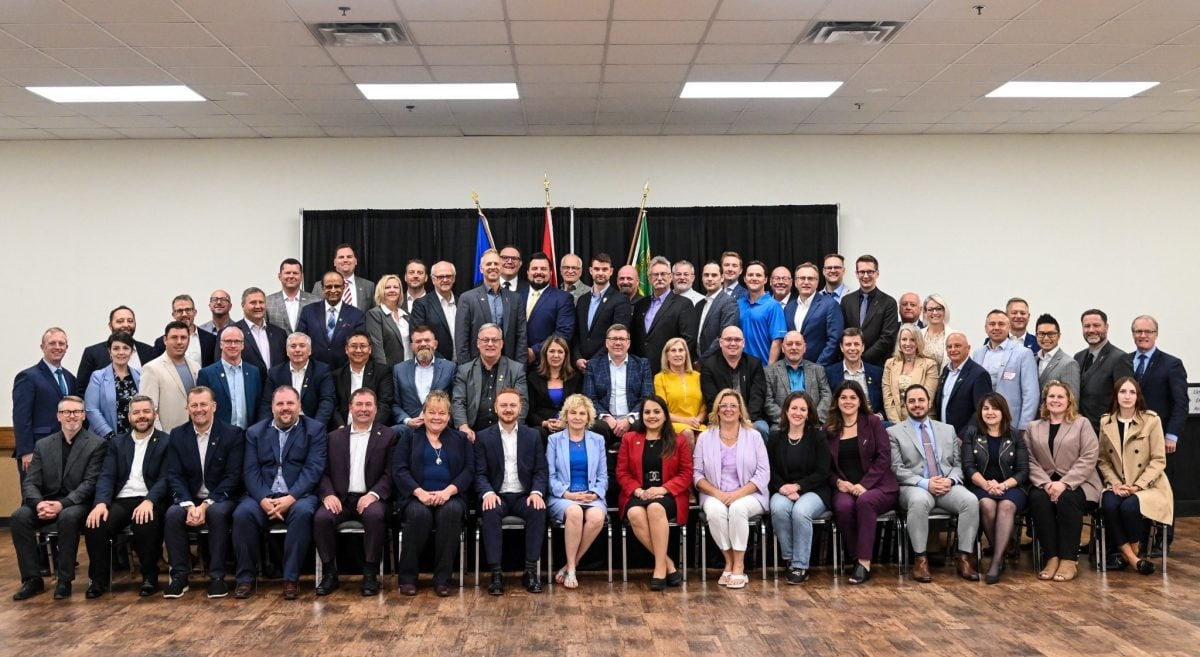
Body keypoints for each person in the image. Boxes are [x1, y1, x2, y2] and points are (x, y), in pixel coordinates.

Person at [232, 386, 327, 600]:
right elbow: (250, 470)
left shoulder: (315, 430)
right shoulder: (255, 432)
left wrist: (291, 498)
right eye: (280, 404)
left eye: (290, 403)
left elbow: (314, 468)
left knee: (303, 514)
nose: (285, 408)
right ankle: (245, 579)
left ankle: (291, 579)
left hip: (298, 496)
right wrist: (263, 499)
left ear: (299, 406)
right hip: (262, 495)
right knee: (242, 514)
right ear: (272, 407)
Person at [10, 396, 106, 601]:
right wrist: (39, 503)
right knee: (19, 517)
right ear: (58, 416)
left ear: (84, 415)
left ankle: (64, 580)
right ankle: (32, 579)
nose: (71, 416)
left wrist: (62, 504)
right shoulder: (43, 445)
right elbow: (30, 482)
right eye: (66, 412)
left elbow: (90, 483)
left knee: (68, 517)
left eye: (77, 412)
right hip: (45, 501)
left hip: (77, 504)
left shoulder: (97, 444)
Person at [888, 385, 980, 583]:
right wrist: (925, 483)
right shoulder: (894, 432)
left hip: (947, 485)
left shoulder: (948, 430)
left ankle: (964, 557)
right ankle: (920, 559)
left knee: (970, 501)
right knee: (919, 502)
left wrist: (950, 480)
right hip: (914, 487)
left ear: (929, 403)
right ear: (905, 405)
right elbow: (896, 468)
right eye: (911, 401)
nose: (917, 405)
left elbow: (958, 464)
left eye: (921, 400)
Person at [83, 396, 172, 597]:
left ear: (154, 414)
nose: (142, 416)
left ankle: (150, 578)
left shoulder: (166, 441)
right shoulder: (117, 443)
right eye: (136, 412)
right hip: (121, 500)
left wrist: (150, 500)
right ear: (129, 416)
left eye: (146, 412)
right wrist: (100, 504)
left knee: (145, 522)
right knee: (96, 523)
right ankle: (99, 580)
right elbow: (106, 476)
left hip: (151, 500)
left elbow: (167, 477)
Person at [162, 386, 244, 599]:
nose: (199, 409)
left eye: (203, 404)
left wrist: (207, 504)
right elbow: (174, 475)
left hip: (221, 497)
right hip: (189, 498)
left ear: (214, 407)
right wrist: (188, 505)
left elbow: (232, 477)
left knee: (216, 514)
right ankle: (179, 576)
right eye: (194, 405)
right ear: (187, 408)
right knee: (172, 515)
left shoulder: (232, 434)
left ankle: (217, 577)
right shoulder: (178, 435)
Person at [314, 389, 395, 596]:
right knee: (322, 518)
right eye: (359, 404)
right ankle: (330, 574)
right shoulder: (333, 437)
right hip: (340, 497)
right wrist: (328, 494)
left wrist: (374, 494)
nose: (363, 409)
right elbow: (321, 472)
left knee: (375, 516)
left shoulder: (389, 436)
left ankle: (370, 573)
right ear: (350, 408)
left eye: (368, 405)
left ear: (376, 409)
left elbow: (391, 473)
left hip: (371, 497)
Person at [392, 391, 473, 597]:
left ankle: (442, 580)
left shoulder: (460, 439)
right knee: (420, 515)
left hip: (451, 496)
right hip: (416, 496)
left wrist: (447, 492)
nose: (437, 417)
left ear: (449, 416)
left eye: (442, 413)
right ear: (424, 413)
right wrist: (419, 493)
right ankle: (408, 578)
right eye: (432, 412)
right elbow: (399, 469)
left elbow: (468, 471)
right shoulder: (409, 437)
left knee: (451, 512)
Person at [1025, 381, 1102, 583]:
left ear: (1069, 401)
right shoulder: (1033, 427)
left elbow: (1089, 457)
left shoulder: (1081, 424)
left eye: (1060, 397)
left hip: (1080, 483)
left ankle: (1069, 560)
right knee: (1038, 499)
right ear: (1045, 400)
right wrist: (1045, 483)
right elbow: (1029, 460)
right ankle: (1052, 557)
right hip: (1045, 483)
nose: (1055, 400)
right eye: (1051, 396)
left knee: (1068, 499)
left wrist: (1065, 483)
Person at [692, 388, 769, 590]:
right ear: (717, 410)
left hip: (749, 494)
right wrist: (718, 494)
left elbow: (763, 473)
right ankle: (729, 560)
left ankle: (739, 565)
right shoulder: (704, 437)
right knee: (715, 512)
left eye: (733, 405)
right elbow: (697, 474)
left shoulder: (754, 436)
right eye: (723, 405)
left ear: (740, 410)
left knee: (737, 509)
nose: (728, 409)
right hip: (714, 493)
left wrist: (737, 494)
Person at [474, 389, 548, 595]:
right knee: (489, 511)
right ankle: (496, 574)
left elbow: (541, 470)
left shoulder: (533, 435)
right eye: (504, 405)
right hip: (497, 494)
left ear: (520, 408)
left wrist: (536, 492)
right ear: (496, 408)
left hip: (524, 494)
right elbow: (479, 473)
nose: (508, 409)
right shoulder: (483, 437)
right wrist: (487, 493)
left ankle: (530, 571)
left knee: (538, 510)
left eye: (512, 405)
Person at [1098, 377, 1173, 575]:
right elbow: (1103, 460)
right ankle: (1133, 559)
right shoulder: (1106, 422)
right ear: (1116, 395)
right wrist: (1114, 484)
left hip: (1148, 484)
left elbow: (1158, 460)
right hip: (1118, 483)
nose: (1127, 396)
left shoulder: (1151, 420)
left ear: (1138, 396)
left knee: (1130, 506)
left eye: (1132, 392)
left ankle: (1132, 551)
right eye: (1123, 392)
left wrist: (1137, 486)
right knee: (1110, 504)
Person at [616, 395, 692, 590]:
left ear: (665, 416)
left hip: (669, 494)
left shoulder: (679, 440)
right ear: (641, 416)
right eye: (647, 412)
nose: (652, 416)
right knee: (634, 512)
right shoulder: (630, 439)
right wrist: (638, 491)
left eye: (657, 411)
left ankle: (659, 569)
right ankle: (668, 564)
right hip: (638, 494)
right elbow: (622, 472)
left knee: (656, 508)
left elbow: (686, 474)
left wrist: (663, 488)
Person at [827, 381, 898, 585]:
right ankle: (856, 557)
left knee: (865, 502)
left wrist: (865, 484)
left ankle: (864, 563)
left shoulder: (872, 422)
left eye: (852, 397)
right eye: (843, 397)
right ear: (837, 401)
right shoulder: (829, 428)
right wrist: (838, 482)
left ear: (860, 401)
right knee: (842, 506)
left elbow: (884, 456)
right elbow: (826, 467)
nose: (848, 401)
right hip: (846, 487)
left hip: (879, 486)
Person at [961, 393, 1028, 585]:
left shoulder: (1016, 435)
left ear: (1003, 411)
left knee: (1007, 506)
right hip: (981, 485)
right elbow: (968, 467)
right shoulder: (972, 433)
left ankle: (996, 561)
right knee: (987, 505)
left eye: (995, 408)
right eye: (985, 408)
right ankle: (1005, 547)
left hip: (1012, 486)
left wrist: (1003, 485)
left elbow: (1023, 471)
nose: (990, 412)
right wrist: (986, 485)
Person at [545, 394, 608, 590]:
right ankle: (571, 569)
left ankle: (571, 563)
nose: (578, 417)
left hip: (591, 495)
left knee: (597, 516)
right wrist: (568, 495)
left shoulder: (598, 440)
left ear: (589, 417)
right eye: (573, 412)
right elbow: (550, 475)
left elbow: (603, 476)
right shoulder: (554, 440)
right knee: (574, 511)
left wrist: (595, 494)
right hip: (563, 496)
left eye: (582, 413)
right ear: (566, 415)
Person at [768, 391, 831, 584]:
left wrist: (799, 487)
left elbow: (823, 472)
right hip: (783, 489)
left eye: (803, 409)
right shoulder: (776, 437)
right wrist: (784, 488)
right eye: (794, 408)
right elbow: (769, 470)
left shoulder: (818, 437)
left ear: (809, 413)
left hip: (815, 489)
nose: (798, 413)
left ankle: (801, 565)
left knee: (801, 511)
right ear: (786, 411)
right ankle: (790, 559)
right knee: (778, 508)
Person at [13, 327, 75, 479]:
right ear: (42, 347)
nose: (57, 347)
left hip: (66, 449)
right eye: (52, 343)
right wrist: (26, 451)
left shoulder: (70, 378)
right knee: (34, 498)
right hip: (37, 450)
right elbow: (21, 417)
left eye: (61, 343)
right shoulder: (28, 377)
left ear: (66, 348)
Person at [451, 324, 529, 442]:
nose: (490, 344)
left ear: (501, 343)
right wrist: (464, 427)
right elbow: (458, 402)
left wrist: (511, 429)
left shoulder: (516, 370)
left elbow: (522, 402)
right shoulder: (464, 371)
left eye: (495, 340)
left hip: (505, 433)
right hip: (473, 434)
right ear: (478, 343)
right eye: (485, 340)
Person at [1124, 315, 1187, 453]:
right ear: (1133, 334)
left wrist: (1171, 435)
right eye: (1138, 331)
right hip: (1127, 435)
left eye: (1148, 331)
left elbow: (1181, 403)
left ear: (1156, 334)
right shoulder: (1123, 361)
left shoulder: (1172, 364)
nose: (1143, 335)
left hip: (1158, 435)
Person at [583, 323, 653, 443]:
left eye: (622, 339)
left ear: (629, 343)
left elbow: (647, 397)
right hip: (605, 421)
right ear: (606, 343)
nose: (618, 343)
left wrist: (629, 419)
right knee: (595, 427)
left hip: (632, 420)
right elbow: (589, 398)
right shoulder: (593, 365)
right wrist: (607, 418)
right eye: (613, 339)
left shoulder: (641, 365)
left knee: (640, 425)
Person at [456, 248, 528, 364]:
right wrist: (467, 371)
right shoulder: (467, 298)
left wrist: (520, 369)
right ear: (481, 268)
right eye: (488, 264)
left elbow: (521, 338)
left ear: (501, 268)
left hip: (509, 367)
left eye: (496, 264)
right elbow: (461, 340)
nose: (493, 267)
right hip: (477, 367)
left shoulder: (515, 299)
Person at [972, 310, 1039, 429]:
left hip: (1012, 423)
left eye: (1001, 324)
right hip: (982, 424)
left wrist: (1024, 427)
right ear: (986, 328)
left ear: (1009, 327)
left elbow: (1031, 394)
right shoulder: (978, 354)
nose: (996, 327)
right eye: (992, 324)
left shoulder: (1023, 354)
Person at [700, 325, 769, 440]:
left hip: (750, 417)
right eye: (728, 339)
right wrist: (727, 420)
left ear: (743, 343)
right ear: (721, 342)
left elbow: (757, 396)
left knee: (762, 429)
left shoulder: (754, 364)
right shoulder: (709, 365)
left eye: (737, 340)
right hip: (720, 417)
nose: (733, 343)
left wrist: (746, 420)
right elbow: (711, 399)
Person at [632, 256, 696, 374]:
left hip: (668, 370)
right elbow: (636, 338)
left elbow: (688, 340)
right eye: (655, 275)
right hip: (640, 370)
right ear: (649, 279)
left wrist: (673, 364)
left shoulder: (683, 304)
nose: (659, 278)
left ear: (670, 277)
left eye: (663, 274)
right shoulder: (640, 305)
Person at [391, 325, 456, 439]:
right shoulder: (399, 369)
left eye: (427, 340)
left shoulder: (450, 368)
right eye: (418, 341)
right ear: (412, 346)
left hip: (441, 427)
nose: (423, 344)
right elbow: (395, 404)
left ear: (435, 344)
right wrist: (408, 420)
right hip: (410, 429)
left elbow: (455, 400)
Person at [75, 306, 156, 395]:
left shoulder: (149, 352)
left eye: (130, 321)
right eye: (120, 321)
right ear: (110, 326)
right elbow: (81, 391)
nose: (126, 325)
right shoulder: (93, 353)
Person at [1074, 309, 1132, 431]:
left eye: (1096, 325)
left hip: (1106, 431)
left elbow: (1126, 399)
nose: (1091, 330)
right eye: (1087, 326)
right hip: (1079, 430)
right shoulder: (1078, 357)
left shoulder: (1120, 358)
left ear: (1106, 327)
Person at [263, 332, 335, 429]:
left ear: (309, 350)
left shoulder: (322, 371)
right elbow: (267, 404)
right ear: (287, 351)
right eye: (293, 346)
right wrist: (266, 429)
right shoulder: (275, 373)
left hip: (312, 425)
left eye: (302, 346)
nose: (297, 350)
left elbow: (327, 401)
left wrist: (316, 427)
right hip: (282, 426)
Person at [574, 253, 633, 371]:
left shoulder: (620, 300)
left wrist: (595, 361)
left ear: (611, 271)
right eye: (596, 269)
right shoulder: (582, 300)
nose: (600, 273)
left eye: (604, 269)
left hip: (606, 366)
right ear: (590, 271)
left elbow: (618, 336)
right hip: (580, 366)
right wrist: (577, 357)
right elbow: (576, 333)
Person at [196, 326, 262, 430]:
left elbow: (258, 405)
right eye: (228, 341)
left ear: (242, 345)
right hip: (219, 436)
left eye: (237, 341)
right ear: (221, 344)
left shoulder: (254, 372)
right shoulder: (207, 374)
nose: (233, 345)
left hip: (248, 435)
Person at [297, 271, 366, 369]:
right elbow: (301, 340)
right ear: (322, 288)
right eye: (329, 286)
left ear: (343, 288)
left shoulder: (356, 314)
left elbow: (359, 345)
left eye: (337, 286)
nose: (333, 290)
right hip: (314, 371)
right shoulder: (308, 311)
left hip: (344, 371)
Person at [139, 321, 200, 432]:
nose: (179, 342)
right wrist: (161, 439)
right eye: (174, 337)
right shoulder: (151, 369)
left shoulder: (196, 367)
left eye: (183, 337)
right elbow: (148, 410)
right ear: (165, 340)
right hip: (167, 437)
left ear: (189, 340)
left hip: (194, 435)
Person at [839, 255, 898, 366]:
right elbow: (842, 331)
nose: (866, 276)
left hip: (877, 364)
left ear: (877, 273)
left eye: (870, 272)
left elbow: (887, 338)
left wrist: (861, 358)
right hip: (849, 364)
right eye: (862, 272)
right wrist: (852, 356)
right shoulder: (846, 301)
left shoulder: (889, 303)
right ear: (856, 274)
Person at [764, 331, 831, 427]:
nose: (794, 347)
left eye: (798, 344)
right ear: (783, 348)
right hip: (782, 425)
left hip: (813, 424)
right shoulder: (769, 371)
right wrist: (789, 420)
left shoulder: (818, 370)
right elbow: (768, 402)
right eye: (789, 344)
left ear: (804, 348)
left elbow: (827, 397)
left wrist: (813, 418)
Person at [330, 330, 395, 429]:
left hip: (374, 428)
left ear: (370, 349)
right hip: (343, 429)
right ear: (346, 349)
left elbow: (385, 404)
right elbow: (333, 406)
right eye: (354, 346)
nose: (358, 350)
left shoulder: (383, 372)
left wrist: (369, 427)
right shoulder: (337, 375)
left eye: (363, 346)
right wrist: (341, 427)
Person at [84, 332, 141, 439]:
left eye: (125, 348)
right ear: (109, 351)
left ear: (131, 351)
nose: (121, 352)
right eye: (116, 348)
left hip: (134, 440)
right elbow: (92, 410)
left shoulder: (140, 376)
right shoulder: (98, 377)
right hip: (104, 439)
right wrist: (110, 436)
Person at [784, 262, 843, 366]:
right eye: (802, 278)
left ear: (817, 282)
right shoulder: (788, 308)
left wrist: (817, 367)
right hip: (792, 368)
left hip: (820, 369)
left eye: (810, 278)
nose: (806, 282)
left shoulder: (830, 305)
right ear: (796, 282)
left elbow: (835, 340)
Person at [522, 251, 576, 365]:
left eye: (543, 269)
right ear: (528, 272)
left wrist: (535, 352)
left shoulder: (563, 298)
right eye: (535, 268)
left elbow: (563, 333)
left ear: (550, 273)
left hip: (546, 364)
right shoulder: (516, 295)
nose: (539, 272)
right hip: (516, 364)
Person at [934, 332, 992, 433]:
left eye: (957, 346)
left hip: (965, 439)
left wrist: (963, 436)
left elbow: (981, 410)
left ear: (968, 348)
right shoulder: (945, 371)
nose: (953, 350)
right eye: (949, 347)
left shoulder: (979, 374)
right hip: (943, 435)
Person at [526, 336, 582, 440]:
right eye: (552, 351)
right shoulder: (533, 377)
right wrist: (545, 423)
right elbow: (530, 411)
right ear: (545, 354)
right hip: (542, 426)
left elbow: (580, 407)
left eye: (560, 352)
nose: (556, 355)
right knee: (538, 433)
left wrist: (565, 422)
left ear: (566, 355)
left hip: (569, 425)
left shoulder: (575, 377)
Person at [881, 324, 940, 423]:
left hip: (923, 420)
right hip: (896, 422)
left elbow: (926, 400)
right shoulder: (890, 364)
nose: (907, 343)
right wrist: (898, 425)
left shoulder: (929, 365)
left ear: (918, 342)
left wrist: (911, 426)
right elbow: (888, 399)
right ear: (899, 342)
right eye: (904, 339)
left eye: (912, 340)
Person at [654, 337, 707, 445]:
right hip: (673, 423)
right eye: (673, 351)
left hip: (697, 423)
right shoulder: (660, 378)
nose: (678, 354)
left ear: (686, 354)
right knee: (687, 433)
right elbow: (661, 409)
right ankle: (687, 463)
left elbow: (705, 406)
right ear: (667, 356)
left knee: (705, 435)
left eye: (681, 350)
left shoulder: (697, 376)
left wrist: (698, 420)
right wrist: (686, 421)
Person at [825, 328, 884, 416]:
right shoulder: (829, 373)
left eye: (856, 344)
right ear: (841, 347)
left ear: (863, 347)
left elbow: (883, 404)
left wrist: (880, 416)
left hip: (871, 422)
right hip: (842, 422)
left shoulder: (877, 373)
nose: (852, 348)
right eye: (848, 344)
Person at [737, 261, 786, 365]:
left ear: (765, 280)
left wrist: (769, 370)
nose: (754, 278)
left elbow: (777, 342)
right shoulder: (738, 304)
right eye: (750, 275)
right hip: (739, 368)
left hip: (762, 368)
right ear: (745, 279)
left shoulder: (774, 306)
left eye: (758, 275)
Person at [409, 261, 459, 362]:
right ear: (433, 279)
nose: (445, 279)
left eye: (448, 276)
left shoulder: (462, 302)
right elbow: (418, 337)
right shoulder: (421, 305)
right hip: (436, 365)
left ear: (453, 278)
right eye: (440, 277)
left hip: (463, 365)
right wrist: (442, 363)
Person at [234, 287, 287, 380]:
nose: (258, 306)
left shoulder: (279, 333)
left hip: (276, 389)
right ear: (243, 305)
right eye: (253, 302)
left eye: (261, 302)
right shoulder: (232, 332)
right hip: (248, 388)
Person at [151, 295, 216, 368]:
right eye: (179, 311)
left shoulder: (211, 340)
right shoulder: (161, 343)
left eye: (188, 310)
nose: (184, 314)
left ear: (195, 312)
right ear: (173, 315)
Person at [364, 273, 413, 370]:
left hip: (411, 369)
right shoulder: (375, 314)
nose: (392, 290)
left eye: (396, 287)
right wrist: (385, 373)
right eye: (387, 287)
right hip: (390, 371)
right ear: (381, 290)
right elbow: (377, 349)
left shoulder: (407, 315)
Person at [694, 261, 739, 361]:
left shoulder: (729, 302)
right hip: (696, 363)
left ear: (722, 278)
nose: (710, 279)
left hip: (716, 363)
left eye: (714, 275)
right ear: (702, 278)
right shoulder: (699, 304)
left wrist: (702, 360)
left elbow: (724, 337)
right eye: (706, 275)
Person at [310, 243, 375, 311]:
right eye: (341, 257)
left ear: (356, 261)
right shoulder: (319, 286)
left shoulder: (368, 286)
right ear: (334, 262)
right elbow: (314, 312)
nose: (345, 260)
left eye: (349, 257)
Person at [1035, 313, 1080, 398]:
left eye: (1051, 334)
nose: (1046, 338)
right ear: (1036, 336)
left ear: (1059, 336)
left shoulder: (1069, 364)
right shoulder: (1033, 360)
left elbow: (1073, 400)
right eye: (1041, 334)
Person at [266, 258, 317, 333]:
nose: (291, 276)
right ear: (279, 276)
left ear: (302, 276)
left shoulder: (315, 301)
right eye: (287, 273)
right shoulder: (268, 302)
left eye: (295, 273)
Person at [920, 294, 954, 370]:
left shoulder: (953, 335)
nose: (935, 313)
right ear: (925, 312)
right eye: (930, 309)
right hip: (921, 380)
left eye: (938, 309)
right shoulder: (918, 335)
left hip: (946, 380)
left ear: (944, 311)